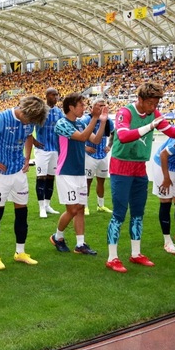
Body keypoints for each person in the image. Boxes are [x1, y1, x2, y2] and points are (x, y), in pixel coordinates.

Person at [106, 82, 175, 273]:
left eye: (156, 104)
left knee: (138, 213)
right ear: (139, 99)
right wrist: (150, 126)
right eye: (150, 103)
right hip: (121, 166)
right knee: (119, 213)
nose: (153, 108)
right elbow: (123, 136)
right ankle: (112, 257)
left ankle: (136, 253)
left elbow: (172, 132)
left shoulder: (154, 114)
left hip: (139, 167)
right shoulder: (126, 112)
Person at [0, 95, 47, 270]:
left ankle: (20, 252)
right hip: (0, 175)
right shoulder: (1, 118)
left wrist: (27, 158)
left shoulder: (30, 120)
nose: (30, 123)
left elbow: (29, 137)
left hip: (19, 173)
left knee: (22, 214)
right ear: (24, 111)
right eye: (29, 119)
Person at [47, 93, 108, 256]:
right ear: (71, 107)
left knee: (80, 208)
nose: (83, 108)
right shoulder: (62, 124)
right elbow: (82, 138)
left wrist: (101, 121)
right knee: (73, 209)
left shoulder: (80, 124)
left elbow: (95, 140)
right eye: (81, 105)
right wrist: (94, 118)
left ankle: (80, 244)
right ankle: (57, 236)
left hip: (79, 172)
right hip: (66, 171)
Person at [32, 88, 63, 218]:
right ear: (47, 96)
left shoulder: (58, 112)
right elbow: (27, 127)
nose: (56, 97)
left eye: (57, 95)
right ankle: (41, 208)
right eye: (53, 95)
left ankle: (47, 205)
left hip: (54, 149)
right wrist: (34, 141)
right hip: (42, 150)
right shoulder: (39, 110)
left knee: (51, 177)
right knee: (41, 178)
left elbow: (62, 129)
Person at [82, 100, 114, 216]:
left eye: (104, 105)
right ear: (93, 107)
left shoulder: (108, 121)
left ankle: (100, 205)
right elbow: (77, 134)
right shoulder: (86, 119)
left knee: (101, 181)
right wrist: (85, 147)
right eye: (100, 105)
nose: (102, 108)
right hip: (89, 156)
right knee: (87, 181)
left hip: (102, 155)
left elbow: (113, 133)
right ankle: (84, 206)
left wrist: (109, 146)